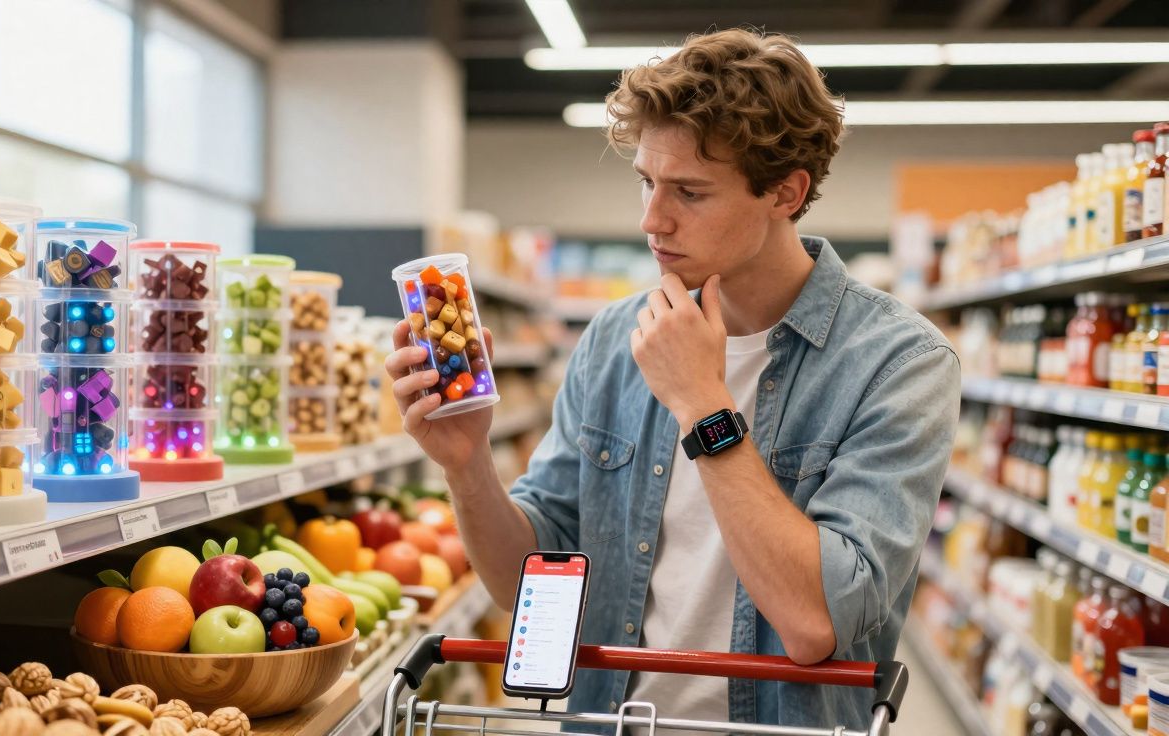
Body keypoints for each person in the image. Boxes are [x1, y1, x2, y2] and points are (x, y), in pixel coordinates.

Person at [385, 27, 959, 731]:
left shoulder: (899, 365)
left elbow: (816, 622)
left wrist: (702, 402)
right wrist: (469, 466)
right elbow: (526, 586)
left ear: (785, 192)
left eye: (689, 191)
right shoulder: (612, 339)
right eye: (647, 182)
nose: (651, 220)